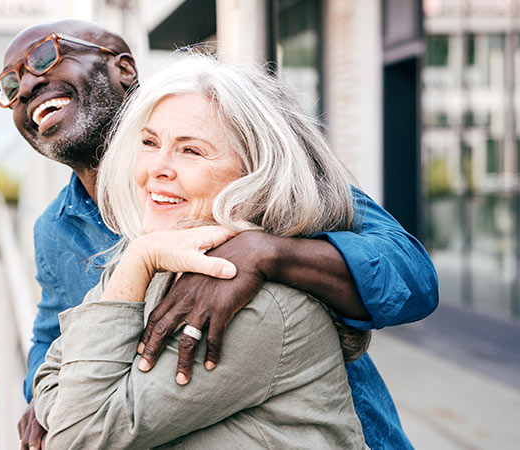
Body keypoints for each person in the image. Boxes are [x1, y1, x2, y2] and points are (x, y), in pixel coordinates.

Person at [0, 20, 438, 449]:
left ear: (123, 68)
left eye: (45, 56)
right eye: (10, 86)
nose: (26, 86)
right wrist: (42, 399)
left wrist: (262, 253)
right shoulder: (56, 227)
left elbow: (412, 278)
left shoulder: (265, 177)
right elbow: (53, 338)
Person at [32, 54, 370, 449]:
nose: (157, 168)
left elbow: (78, 438)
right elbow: (49, 374)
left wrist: (136, 263)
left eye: (190, 151)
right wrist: (138, 261)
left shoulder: (264, 308)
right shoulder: (153, 258)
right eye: (149, 143)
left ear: (255, 171)